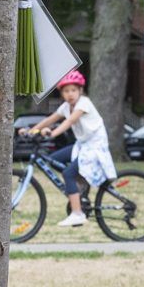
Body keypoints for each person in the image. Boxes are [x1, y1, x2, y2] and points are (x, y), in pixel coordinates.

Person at [26, 70, 116, 227]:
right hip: (82, 146)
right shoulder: (66, 107)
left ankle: (78, 214)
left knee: (68, 173)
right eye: (66, 91)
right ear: (62, 93)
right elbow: (50, 119)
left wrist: (52, 134)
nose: (70, 94)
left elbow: (69, 122)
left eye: (74, 90)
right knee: (53, 159)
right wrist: (31, 130)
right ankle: (79, 185)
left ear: (80, 91)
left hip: (95, 147)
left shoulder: (84, 103)